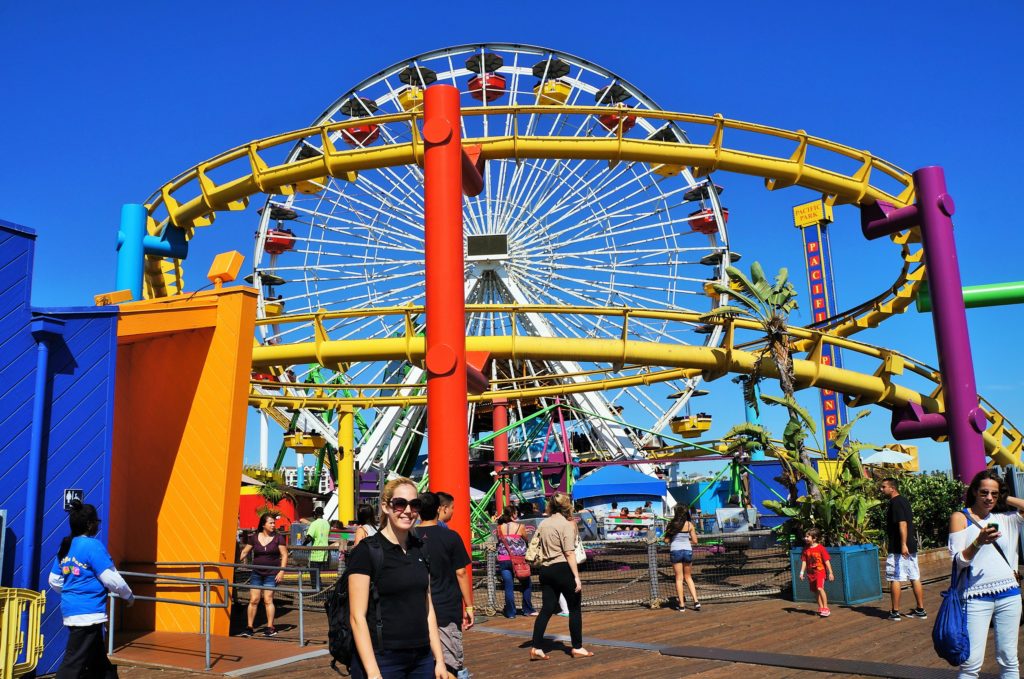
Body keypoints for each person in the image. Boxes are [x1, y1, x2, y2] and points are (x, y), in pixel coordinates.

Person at [348, 477, 447, 679]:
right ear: (385, 506)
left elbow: (427, 607)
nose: (408, 510)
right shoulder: (367, 551)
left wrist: (439, 660)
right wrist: (373, 673)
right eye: (400, 503)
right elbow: (357, 617)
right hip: (384, 657)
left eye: (414, 504)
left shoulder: (420, 548)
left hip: (421, 656)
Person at [947, 469, 1024, 679]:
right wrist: (978, 542)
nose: (989, 498)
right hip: (975, 597)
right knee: (970, 663)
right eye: (984, 492)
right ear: (973, 491)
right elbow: (958, 561)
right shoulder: (960, 517)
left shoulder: (1005, 518)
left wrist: (1005, 496)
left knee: (1009, 659)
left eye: (994, 494)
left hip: (1009, 594)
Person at [49, 499, 134, 679]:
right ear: (89, 524)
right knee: (72, 664)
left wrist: (72, 591)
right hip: (88, 614)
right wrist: (128, 596)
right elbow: (111, 579)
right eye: (97, 522)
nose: (97, 525)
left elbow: (54, 580)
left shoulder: (66, 546)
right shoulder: (93, 546)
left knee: (98, 662)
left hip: (74, 611)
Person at [529, 492, 593, 660]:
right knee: (574, 609)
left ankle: (536, 646)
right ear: (566, 505)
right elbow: (569, 553)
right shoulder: (566, 524)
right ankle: (577, 647)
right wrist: (576, 577)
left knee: (547, 608)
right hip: (562, 568)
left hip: (545, 569)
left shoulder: (543, 523)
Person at [417, 492, 474, 679]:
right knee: (450, 662)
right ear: (439, 509)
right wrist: (469, 605)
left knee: (421, 661)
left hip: (416, 607)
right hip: (446, 605)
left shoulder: (409, 537)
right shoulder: (450, 537)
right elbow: (461, 572)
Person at [879, 477, 926, 621]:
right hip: (909, 546)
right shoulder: (904, 500)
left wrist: (903, 544)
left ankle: (895, 611)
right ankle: (920, 609)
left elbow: (903, 524)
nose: (881, 490)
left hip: (900, 547)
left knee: (895, 578)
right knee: (914, 576)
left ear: (892, 488)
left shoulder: (895, 503)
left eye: (883, 487)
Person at [237, 513, 288, 637]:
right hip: (256, 573)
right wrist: (235, 560)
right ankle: (249, 627)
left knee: (268, 599)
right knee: (254, 600)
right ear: (263, 524)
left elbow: (284, 554)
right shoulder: (254, 537)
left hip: (272, 573)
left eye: (273, 523)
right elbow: (245, 551)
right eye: (270, 523)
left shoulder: (278, 538)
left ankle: (270, 627)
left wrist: (281, 571)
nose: (273, 525)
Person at [494, 506, 535, 618]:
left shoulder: (499, 528)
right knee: (526, 584)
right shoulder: (520, 527)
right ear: (513, 514)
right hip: (518, 560)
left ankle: (511, 613)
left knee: (508, 586)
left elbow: (499, 540)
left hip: (503, 559)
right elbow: (526, 539)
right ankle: (527, 609)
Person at [664, 505, 701, 611]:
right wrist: (686, 542)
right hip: (687, 551)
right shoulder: (690, 524)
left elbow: (666, 541)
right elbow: (695, 541)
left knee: (679, 578)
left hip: (675, 551)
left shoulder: (671, 524)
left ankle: (681, 605)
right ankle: (696, 601)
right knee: (688, 577)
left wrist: (672, 539)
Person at [798, 528, 835, 618]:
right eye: (805, 536)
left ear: (814, 538)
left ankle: (826, 608)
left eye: (808, 536)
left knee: (819, 588)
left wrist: (830, 573)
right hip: (811, 573)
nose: (805, 538)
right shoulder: (805, 549)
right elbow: (804, 561)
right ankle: (821, 607)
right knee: (815, 591)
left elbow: (826, 561)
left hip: (820, 571)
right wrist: (801, 572)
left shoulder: (821, 548)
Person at [305, 506, 331, 571]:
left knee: (314, 576)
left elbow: (309, 538)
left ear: (315, 514)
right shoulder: (327, 523)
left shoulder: (314, 523)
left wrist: (303, 544)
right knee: (321, 574)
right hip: (325, 553)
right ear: (322, 514)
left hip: (316, 554)